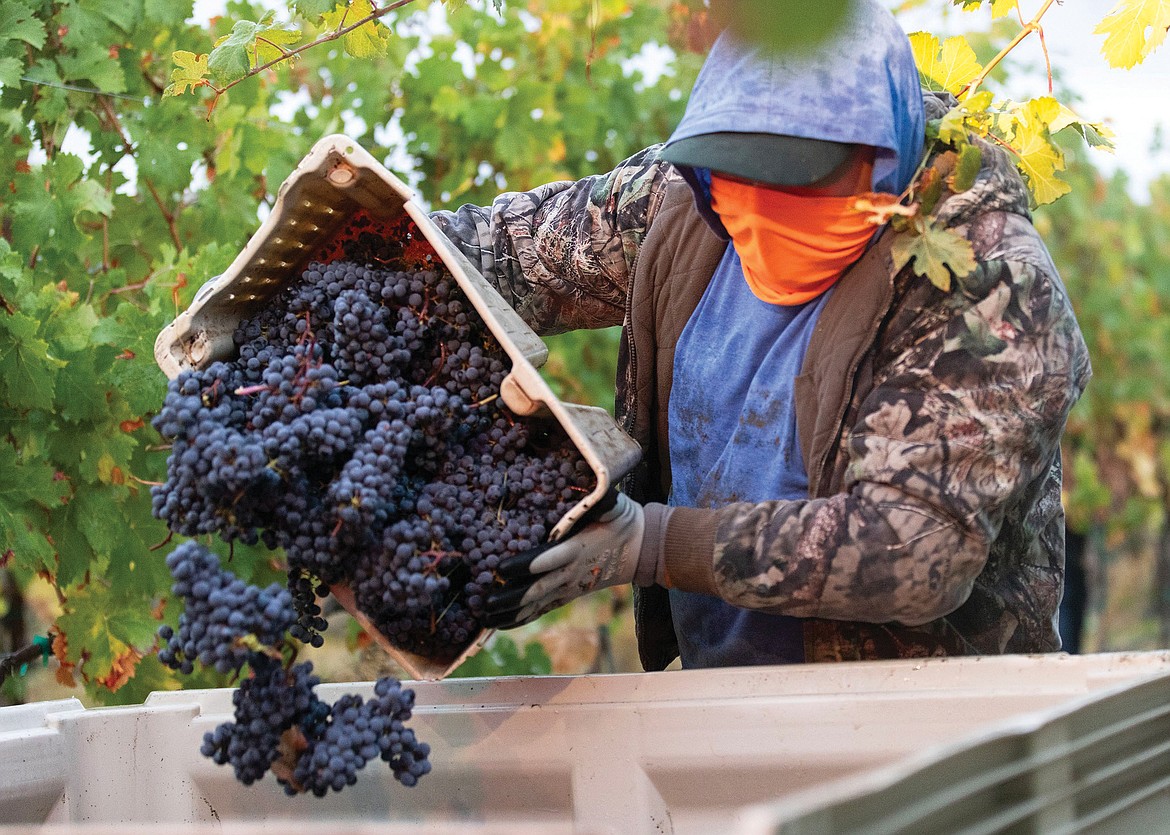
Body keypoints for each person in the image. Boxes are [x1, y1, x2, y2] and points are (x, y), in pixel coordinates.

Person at [431, 0, 1091, 669]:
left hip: (920, 722)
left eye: (799, 205)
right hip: (718, 700)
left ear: (881, 168)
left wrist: (654, 545)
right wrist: (368, 250)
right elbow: (504, 254)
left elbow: (913, 547)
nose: (762, 241)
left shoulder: (989, 282)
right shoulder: (681, 199)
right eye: (741, 213)